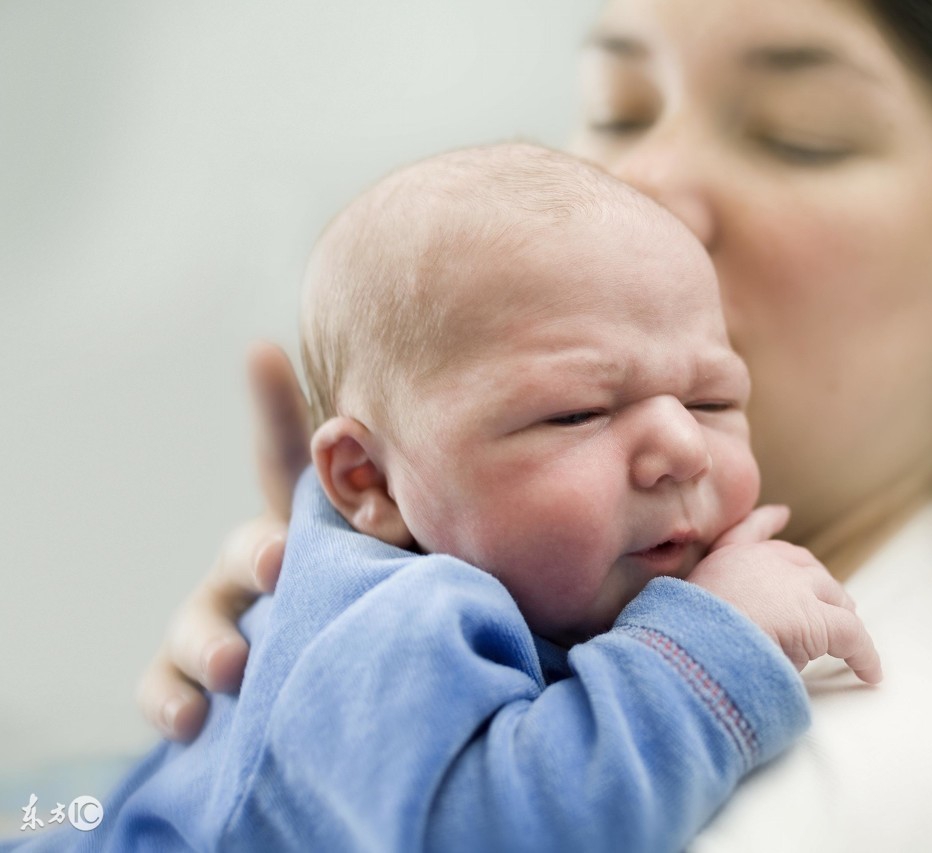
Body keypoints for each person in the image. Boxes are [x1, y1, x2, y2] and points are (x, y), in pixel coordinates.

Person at [137, 0, 932, 849]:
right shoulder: (431, 587)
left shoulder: (918, 765)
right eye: (620, 109)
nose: (641, 191)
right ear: (366, 475)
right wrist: (340, 585)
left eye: (795, 135)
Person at [16, 144, 880, 852]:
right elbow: (487, 832)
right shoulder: (400, 622)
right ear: (369, 480)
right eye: (575, 412)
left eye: (713, 401)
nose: (684, 447)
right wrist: (705, 649)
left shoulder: (465, 545)